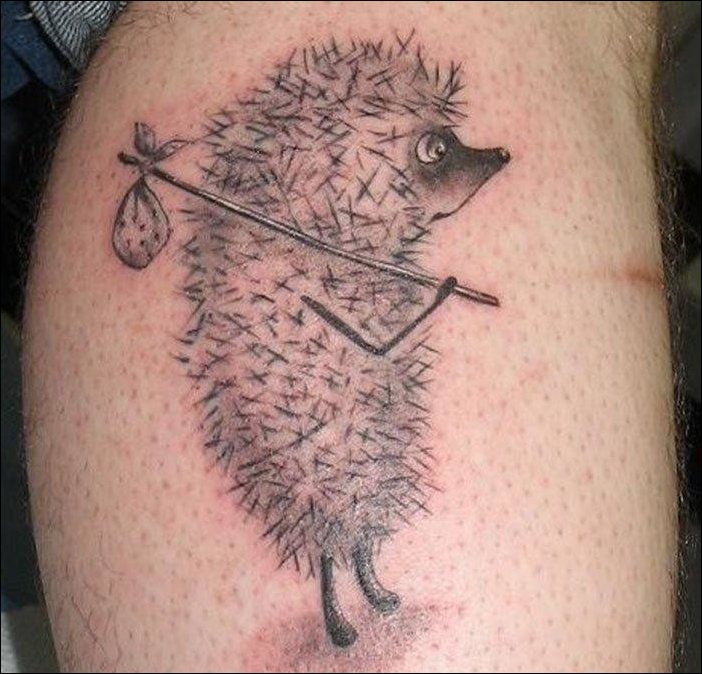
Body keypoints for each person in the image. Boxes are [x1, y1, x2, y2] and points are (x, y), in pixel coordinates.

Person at [22, 2, 677, 671]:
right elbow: (375, 349)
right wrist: (434, 303)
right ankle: (336, 597)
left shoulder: (356, 264)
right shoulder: (295, 294)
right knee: (324, 495)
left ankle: (364, 576)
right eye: (431, 152)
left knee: (364, 487)